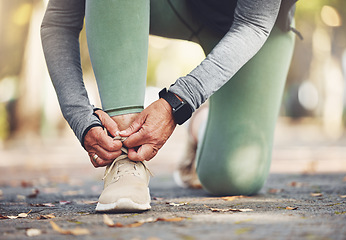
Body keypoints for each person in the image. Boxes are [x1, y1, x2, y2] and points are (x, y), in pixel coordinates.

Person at [41, 0, 298, 212]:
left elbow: (253, 24)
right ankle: (126, 163)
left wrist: (179, 102)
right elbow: (59, 21)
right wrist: (81, 118)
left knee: (235, 177)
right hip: (173, 7)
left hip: (254, 25)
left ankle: (203, 124)